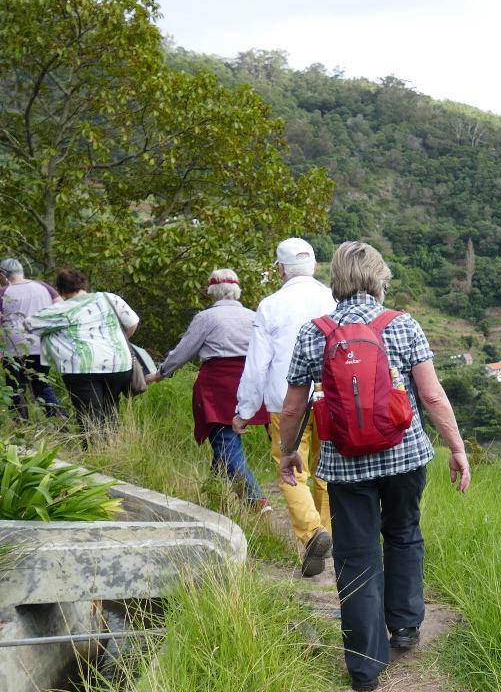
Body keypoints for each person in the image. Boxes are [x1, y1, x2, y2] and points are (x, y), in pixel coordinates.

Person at [279, 241, 469, 692]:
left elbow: (292, 407)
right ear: (380, 280)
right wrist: (456, 448)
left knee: (356, 555)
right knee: (404, 532)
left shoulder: (315, 332)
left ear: (336, 283)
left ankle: (365, 666)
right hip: (405, 456)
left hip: (346, 464)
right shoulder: (402, 326)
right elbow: (432, 396)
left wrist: (289, 451)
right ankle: (404, 626)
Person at [234, 238, 336, 577]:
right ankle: (330, 536)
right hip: (331, 397)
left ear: (280, 269)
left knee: (291, 470)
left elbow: (257, 364)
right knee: (328, 469)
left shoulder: (270, 305)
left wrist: (244, 410)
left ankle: (312, 534)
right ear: (314, 266)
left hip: (285, 401)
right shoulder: (332, 298)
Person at [147, 269, 271, 509]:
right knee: (222, 443)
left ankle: (257, 502)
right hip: (251, 382)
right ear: (236, 290)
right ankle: (212, 497)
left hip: (218, 385)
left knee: (225, 439)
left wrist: (161, 373)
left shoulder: (206, 318)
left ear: (211, 292)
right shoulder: (254, 316)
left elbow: (184, 350)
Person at [25, 268, 139, 430]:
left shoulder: (61, 310)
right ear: (84, 284)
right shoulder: (109, 298)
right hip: (119, 364)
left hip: (82, 369)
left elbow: (29, 324)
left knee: (90, 417)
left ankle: (96, 452)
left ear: (61, 290)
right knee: (110, 408)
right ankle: (114, 448)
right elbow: (133, 323)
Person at [1, 258, 65, 419]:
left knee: (15, 388)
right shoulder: (43, 286)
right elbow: (61, 307)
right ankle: (59, 422)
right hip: (41, 344)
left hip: (12, 348)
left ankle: (21, 427)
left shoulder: (3, 292)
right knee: (42, 385)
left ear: (3, 275)